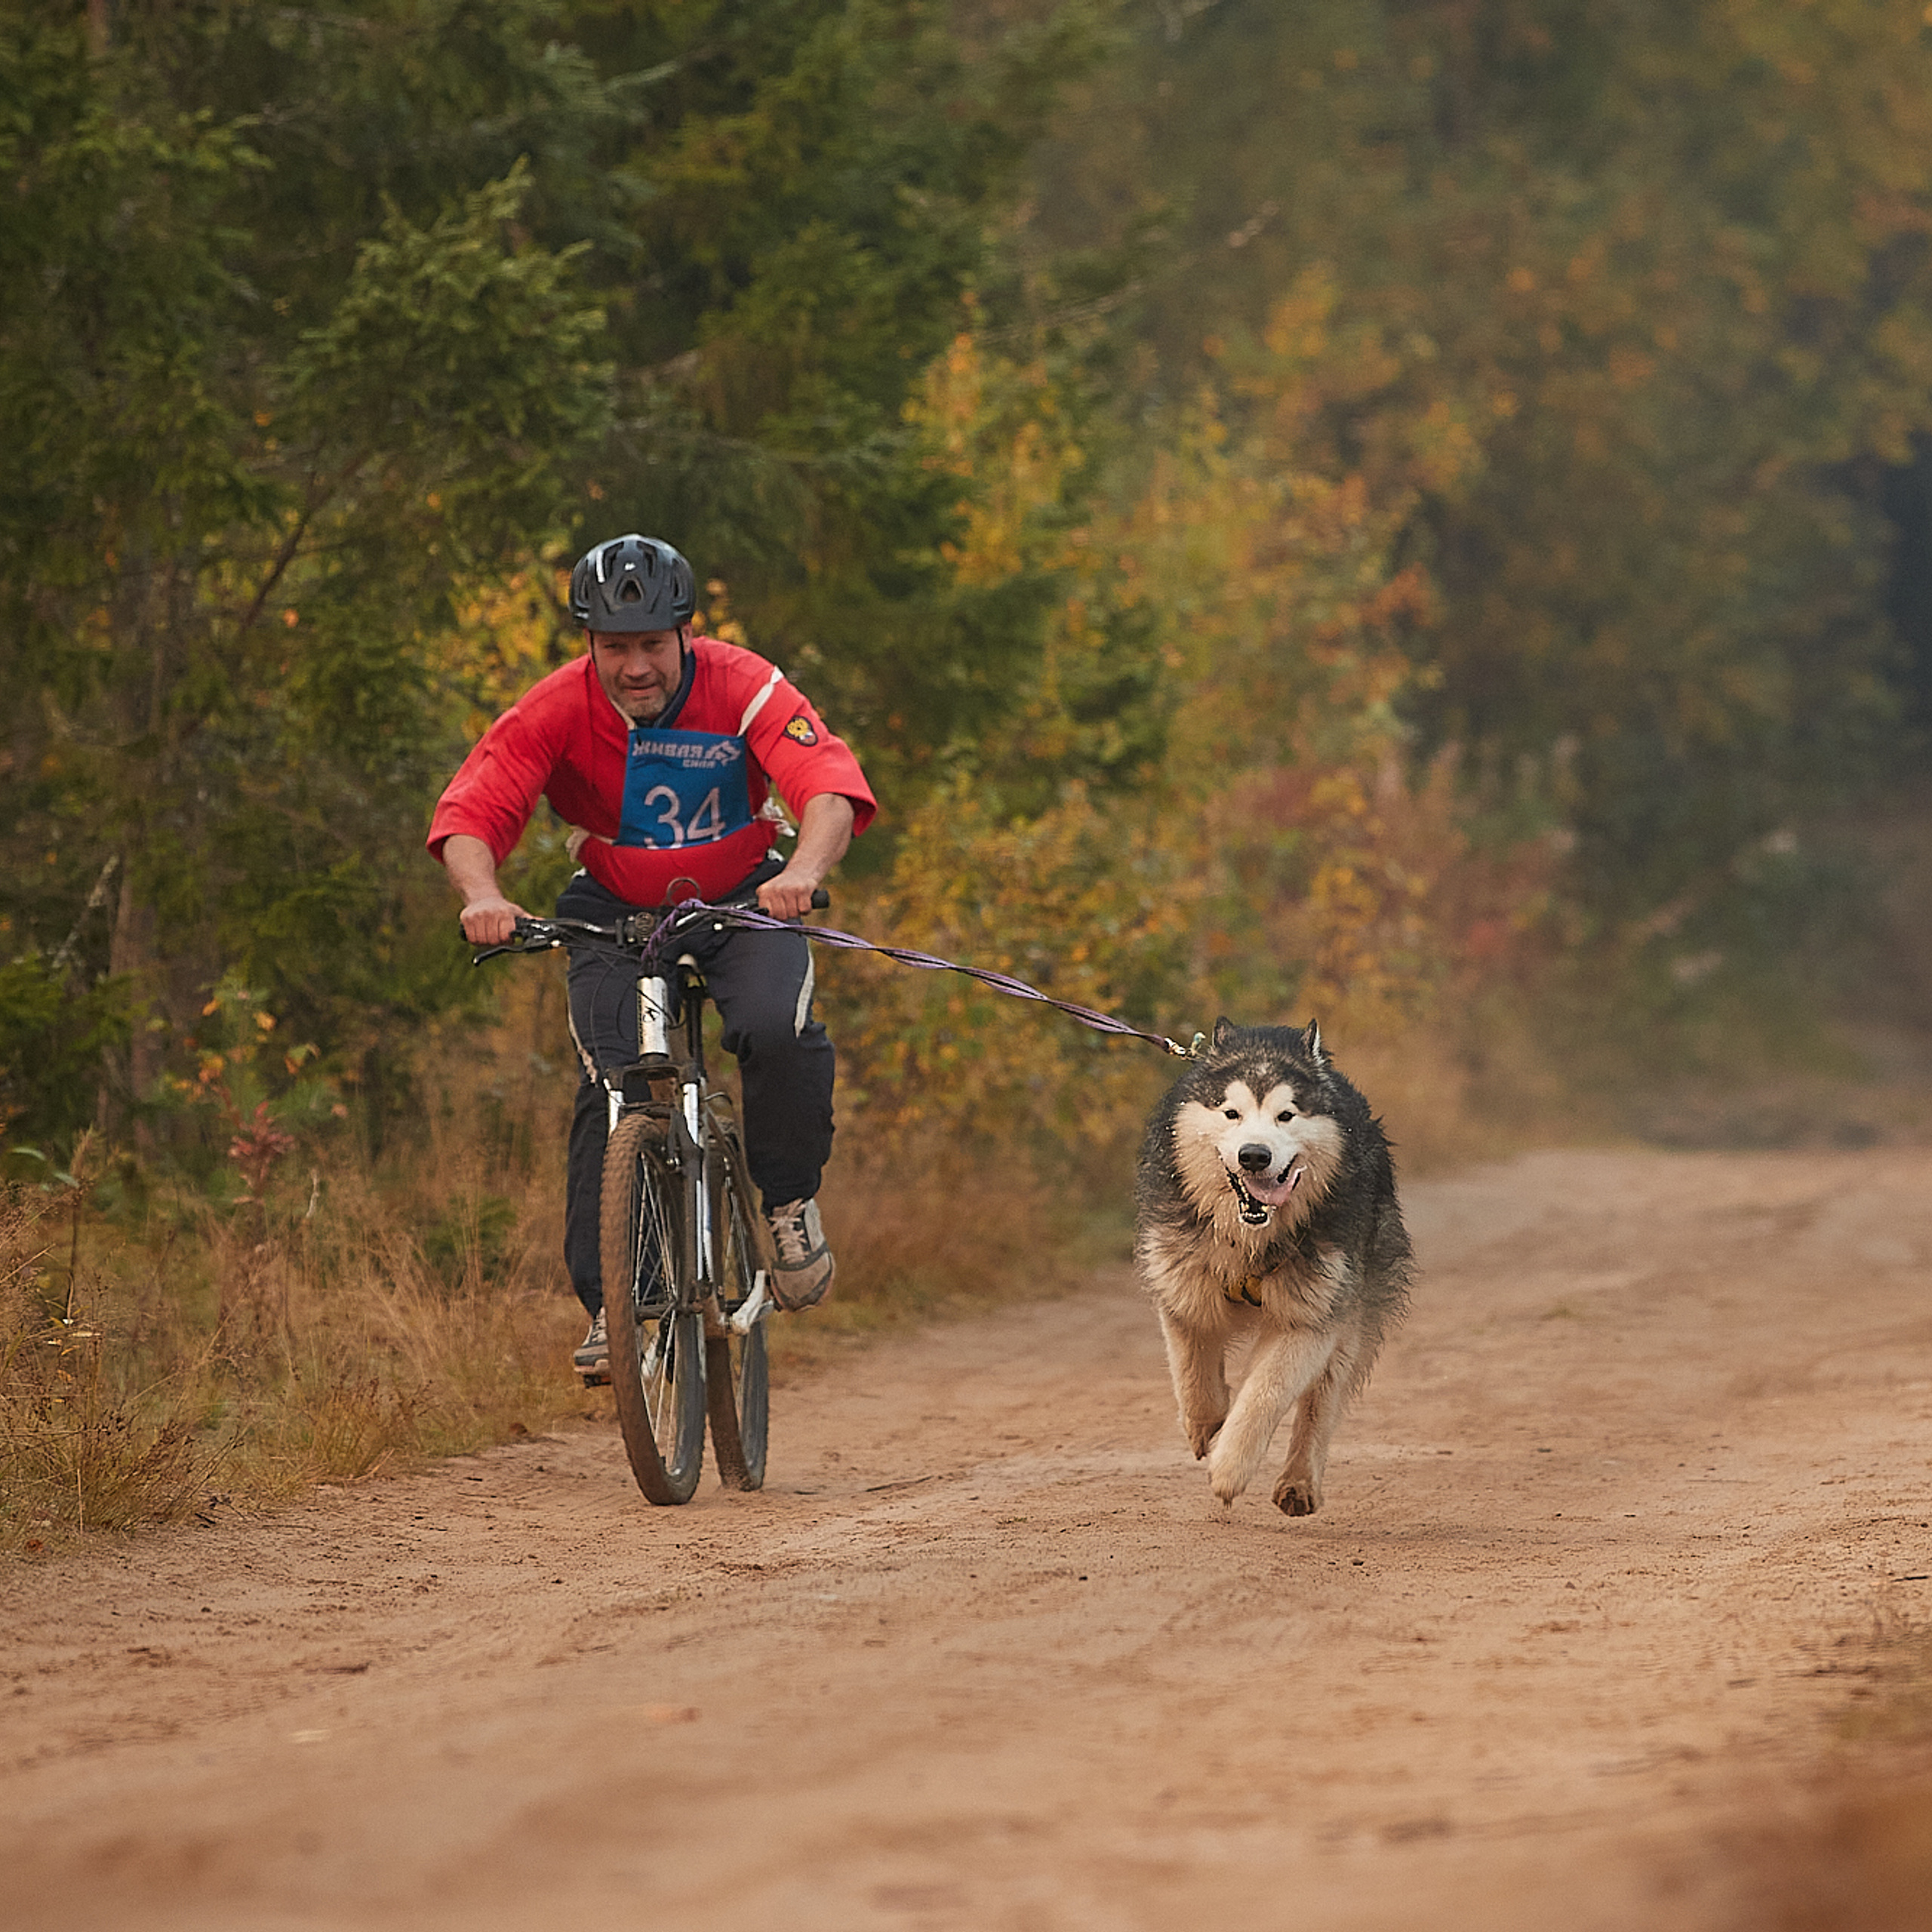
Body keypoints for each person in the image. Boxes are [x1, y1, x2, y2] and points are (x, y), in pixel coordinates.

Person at [427, 534, 877, 1382]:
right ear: (588, 645)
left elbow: (825, 785)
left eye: (650, 646)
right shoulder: (556, 707)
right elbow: (473, 811)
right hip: (613, 911)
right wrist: (481, 896)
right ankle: (615, 1305)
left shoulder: (744, 685)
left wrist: (804, 874)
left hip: (742, 897)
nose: (635, 667)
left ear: (684, 636)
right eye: (614, 648)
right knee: (613, 1083)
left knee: (773, 1032)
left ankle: (784, 1200)